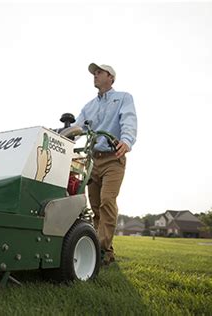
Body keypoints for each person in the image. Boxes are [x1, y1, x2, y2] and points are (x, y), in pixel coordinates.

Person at [75, 63, 137, 265]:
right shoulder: (88, 107)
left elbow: (129, 120)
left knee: (107, 201)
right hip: (93, 160)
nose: (95, 75)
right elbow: (77, 128)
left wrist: (126, 141)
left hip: (113, 159)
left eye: (99, 72)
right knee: (95, 207)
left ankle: (98, 250)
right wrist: (57, 134)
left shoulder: (123, 98)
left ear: (111, 77)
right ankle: (105, 252)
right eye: (94, 73)